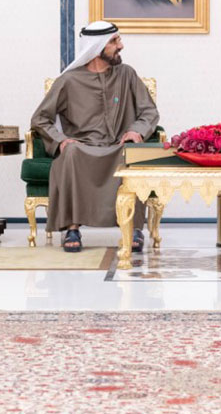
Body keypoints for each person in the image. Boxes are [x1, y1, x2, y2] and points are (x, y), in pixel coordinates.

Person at [30, 21, 160, 253]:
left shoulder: (127, 75)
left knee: (133, 153)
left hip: (118, 146)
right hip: (83, 148)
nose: (120, 45)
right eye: (114, 41)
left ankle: (134, 228)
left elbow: (149, 111)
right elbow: (40, 118)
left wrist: (136, 131)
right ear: (97, 47)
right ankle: (72, 229)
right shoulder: (69, 81)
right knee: (70, 152)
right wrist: (60, 140)